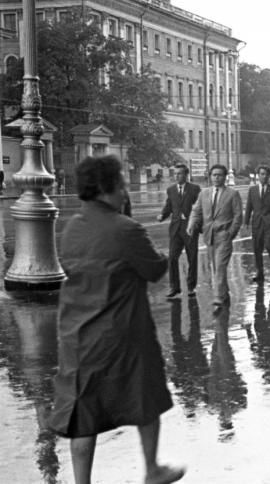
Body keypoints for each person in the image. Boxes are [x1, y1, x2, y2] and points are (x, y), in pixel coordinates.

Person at [49, 155, 185, 484]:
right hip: (124, 334)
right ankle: (152, 469)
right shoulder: (126, 229)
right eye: (121, 185)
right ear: (108, 188)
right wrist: (168, 251)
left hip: (78, 334)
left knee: (84, 411)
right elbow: (154, 269)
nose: (125, 192)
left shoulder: (71, 229)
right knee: (145, 397)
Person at [188, 163, 243, 311]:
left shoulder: (232, 194)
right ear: (210, 176)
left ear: (225, 177)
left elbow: (238, 216)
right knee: (215, 266)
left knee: (219, 266)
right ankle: (224, 294)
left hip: (224, 235)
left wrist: (231, 233)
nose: (216, 178)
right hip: (209, 236)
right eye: (214, 175)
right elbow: (196, 211)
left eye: (220, 175)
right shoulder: (204, 193)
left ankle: (218, 297)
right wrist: (192, 224)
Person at [157, 163, 201, 299]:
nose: (176, 176)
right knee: (172, 258)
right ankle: (174, 287)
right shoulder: (171, 190)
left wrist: (199, 224)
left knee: (192, 258)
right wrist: (162, 215)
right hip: (175, 228)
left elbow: (199, 208)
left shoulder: (195, 189)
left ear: (186, 175)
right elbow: (169, 205)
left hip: (190, 228)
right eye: (175, 173)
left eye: (180, 173)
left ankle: (191, 287)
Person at [244, 165, 270, 282]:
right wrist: (246, 222)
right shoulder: (252, 190)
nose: (263, 176)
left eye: (266, 174)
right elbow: (249, 207)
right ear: (258, 176)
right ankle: (259, 272)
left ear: (269, 176)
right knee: (257, 248)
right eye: (261, 174)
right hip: (257, 223)